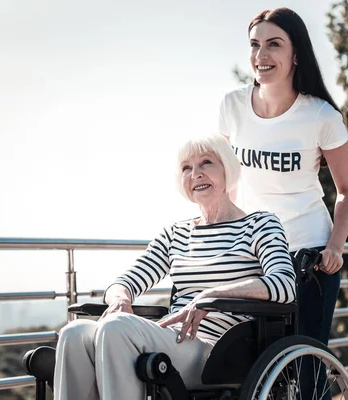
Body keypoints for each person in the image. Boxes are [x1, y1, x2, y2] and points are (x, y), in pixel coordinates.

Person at [52, 134, 296, 400]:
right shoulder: (176, 234)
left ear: (228, 169)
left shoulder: (259, 225)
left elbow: (283, 285)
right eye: (186, 168)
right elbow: (125, 281)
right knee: (74, 333)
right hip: (173, 338)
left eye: (206, 163)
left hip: (219, 351)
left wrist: (211, 296)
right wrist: (120, 299)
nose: (196, 174)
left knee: (115, 329)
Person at [218, 7, 348, 348]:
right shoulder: (232, 106)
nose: (261, 55)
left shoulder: (321, 116)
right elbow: (227, 184)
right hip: (252, 254)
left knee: (306, 366)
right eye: (255, 45)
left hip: (309, 258)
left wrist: (335, 247)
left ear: (296, 54)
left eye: (274, 45)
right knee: (251, 365)